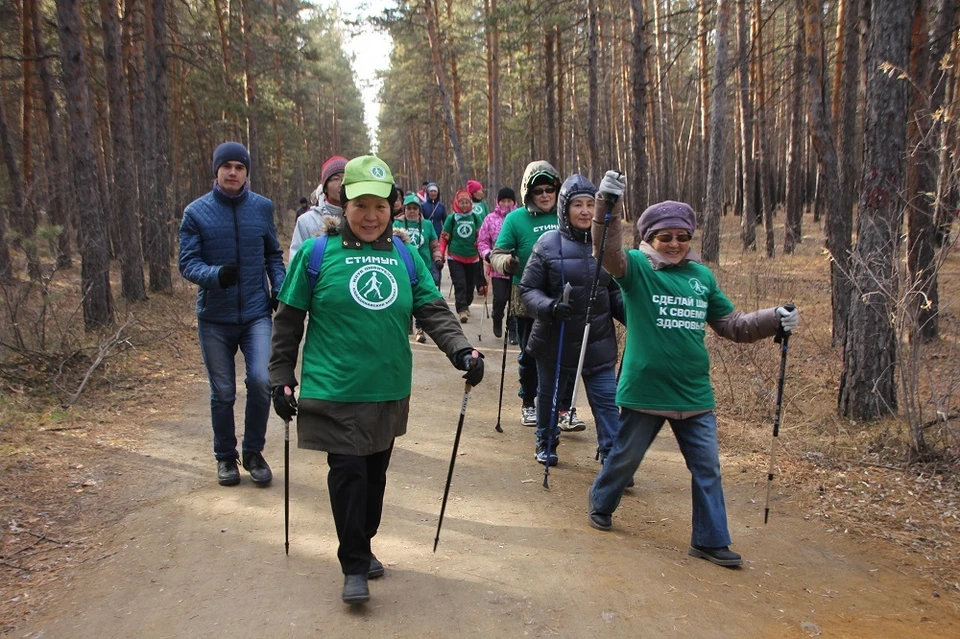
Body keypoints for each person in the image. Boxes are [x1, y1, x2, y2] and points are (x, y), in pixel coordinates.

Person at [268, 155, 484, 605]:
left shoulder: (404, 254)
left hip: (388, 387)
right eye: (361, 205)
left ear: (392, 208)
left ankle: (363, 543)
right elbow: (288, 321)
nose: (371, 216)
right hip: (333, 388)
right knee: (347, 471)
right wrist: (280, 377)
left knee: (374, 474)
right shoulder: (316, 254)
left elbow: (431, 307)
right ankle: (353, 563)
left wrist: (462, 350)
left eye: (380, 206)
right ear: (343, 205)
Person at [585, 173, 801, 569]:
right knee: (626, 458)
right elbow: (607, 250)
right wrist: (606, 204)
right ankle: (601, 500)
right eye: (664, 236)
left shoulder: (702, 278)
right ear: (648, 238)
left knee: (706, 467)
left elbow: (732, 324)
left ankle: (710, 540)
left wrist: (774, 318)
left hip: (693, 393)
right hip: (645, 390)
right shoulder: (635, 269)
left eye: (682, 236)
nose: (674, 244)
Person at [178, 141, 286, 487]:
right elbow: (187, 262)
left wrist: (279, 288)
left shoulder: (262, 208)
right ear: (217, 171)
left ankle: (253, 452)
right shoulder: (196, 212)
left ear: (246, 173)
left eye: (240, 167)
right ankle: (226, 456)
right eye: (227, 166)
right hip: (214, 317)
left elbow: (273, 254)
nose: (233, 172)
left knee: (260, 381)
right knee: (223, 391)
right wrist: (215, 275)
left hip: (256, 313)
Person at [519, 174, 624, 466]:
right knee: (549, 396)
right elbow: (528, 290)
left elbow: (614, 291)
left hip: (597, 341)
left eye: (591, 204)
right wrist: (550, 306)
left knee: (606, 401)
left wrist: (633, 314)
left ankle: (612, 456)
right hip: (556, 339)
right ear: (565, 208)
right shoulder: (548, 244)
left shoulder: (605, 245)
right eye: (578, 204)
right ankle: (546, 440)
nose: (585, 211)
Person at [490, 161, 582, 430]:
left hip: (566, 294)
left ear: (557, 188)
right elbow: (496, 254)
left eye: (549, 188)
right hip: (527, 294)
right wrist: (506, 262)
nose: (544, 195)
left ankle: (564, 408)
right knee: (531, 353)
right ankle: (529, 403)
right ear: (528, 192)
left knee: (568, 352)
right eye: (537, 189)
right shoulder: (515, 219)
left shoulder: (568, 215)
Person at [394, 193, 441, 343]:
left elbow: (434, 244)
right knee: (405, 299)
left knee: (421, 301)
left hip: (424, 268)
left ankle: (420, 329)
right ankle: (406, 326)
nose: (412, 211)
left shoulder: (427, 225)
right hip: (402, 268)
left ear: (419, 210)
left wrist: (438, 258)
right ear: (404, 209)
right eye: (409, 208)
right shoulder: (396, 224)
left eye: (415, 208)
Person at [477, 186, 518, 340]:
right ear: (498, 202)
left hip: (517, 266)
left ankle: (513, 329)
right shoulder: (490, 219)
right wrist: (487, 255)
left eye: (509, 201)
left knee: (514, 300)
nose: (506, 204)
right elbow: (482, 241)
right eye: (503, 201)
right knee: (500, 298)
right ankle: (497, 317)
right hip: (497, 267)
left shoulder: (519, 218)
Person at [289, 155, 348, 259]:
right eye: (336, 179)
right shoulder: (306, 221)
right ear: (325, 187)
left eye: (346, 178)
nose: (342, 183)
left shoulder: (361, 218)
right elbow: (296, 263)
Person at [440, 189, 483, 323]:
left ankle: (466, 303)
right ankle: (462, 310)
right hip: (455, 257)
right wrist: (441, 253)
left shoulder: (475, 217)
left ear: (470, 203)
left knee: (470, 286)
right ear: (457, 203)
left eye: (466, 202)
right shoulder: (451, 218)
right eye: (461, 202)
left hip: (473, 257)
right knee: (460, 284)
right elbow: (444, 237)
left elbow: (481, 236)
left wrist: (481, 246)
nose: (464, 205)